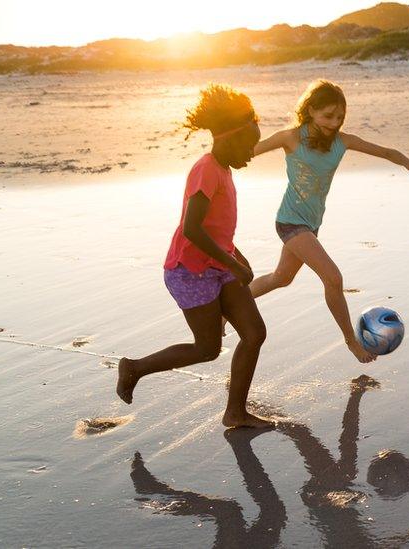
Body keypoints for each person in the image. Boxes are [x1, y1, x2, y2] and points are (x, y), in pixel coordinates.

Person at [116, 83, 272, 429]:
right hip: (190, 271)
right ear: (227, 138)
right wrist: (233, 263)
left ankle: (235, 412)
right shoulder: (206, 169)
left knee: (254, 332)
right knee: (207, 349)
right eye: (248, 146)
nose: (252, 153)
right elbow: (192, 229)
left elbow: (219, 230)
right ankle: (135, 368)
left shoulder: (225, 168)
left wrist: (238, 259)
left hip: (220, 265)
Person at [250, 80, 409, 363]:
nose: (334, 123)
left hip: (311, 224)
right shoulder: (290, 138)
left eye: (339, 117)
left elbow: (385, 152)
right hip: (289, 221)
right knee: (333, 278)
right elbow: (246, 152)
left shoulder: (342, 142)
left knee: (281, 278)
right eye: (328, 116)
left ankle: (232, 304)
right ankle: (352, 341)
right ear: (310, 110)